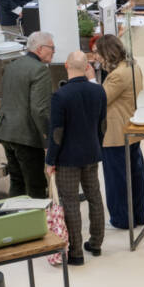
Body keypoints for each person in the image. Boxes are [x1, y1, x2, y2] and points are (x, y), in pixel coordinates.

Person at [45, 50, 107, 265]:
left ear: (66, 66)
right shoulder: (98, 92)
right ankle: (97, 243)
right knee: (95, 197)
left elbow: (57, 133)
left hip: (67, 159)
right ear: (87, 67)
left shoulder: (60, 96)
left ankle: (76, 252)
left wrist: (50, 160)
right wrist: (97, 144)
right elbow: (102, 125)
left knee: (70, 202)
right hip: (91, 154)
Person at [94, 34, 144, 231]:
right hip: (131, 127)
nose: (96, 57)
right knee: (135, 174)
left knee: (117, 179)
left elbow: (100, 101)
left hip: (115, 133)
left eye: (98, 53)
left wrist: (92, 80)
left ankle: (121, 219)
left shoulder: (116, 76)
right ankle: (138, 215)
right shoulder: (133, 66)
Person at [0, 31, 55, 199]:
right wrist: (48, 138)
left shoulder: (12, 65)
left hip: (7, 132)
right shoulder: (40, 70)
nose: (54, 51)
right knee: (36, 186)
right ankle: (36, 225)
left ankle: (16, 222)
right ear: (41, 49)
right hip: (27, 137)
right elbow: (39, 109)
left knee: (17, 181)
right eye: (52, 48)